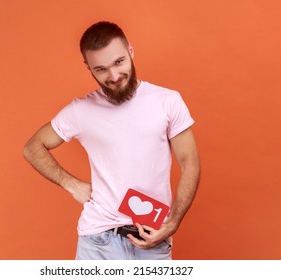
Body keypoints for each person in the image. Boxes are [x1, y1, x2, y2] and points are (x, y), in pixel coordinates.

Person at [23, 21, 200, 260]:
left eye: (119, 62)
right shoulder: (81, 110)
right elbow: (33, 147)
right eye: (101, 69)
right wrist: (71, 184)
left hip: (152, 237)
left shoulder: (167, 101)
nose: (114, 76)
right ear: (88, 68)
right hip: (98, 240)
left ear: (130, 51)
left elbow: (190, 163)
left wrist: (173, 223)